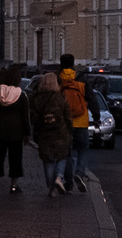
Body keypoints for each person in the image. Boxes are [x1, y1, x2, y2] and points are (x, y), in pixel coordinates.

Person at [0, 67, 30, 194]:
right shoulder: (21, 95)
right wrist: (27, 133)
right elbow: (25, 117)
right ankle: (14, 185)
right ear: (18, 80)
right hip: (16, 133)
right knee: (15, 158)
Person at [28, 69, 73, 196]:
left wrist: (36, 131)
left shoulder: (37, 98)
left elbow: (33, 117)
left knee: (48, 160)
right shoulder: (61, 97)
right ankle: (59, 177)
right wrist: (70, 130)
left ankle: (51, 188)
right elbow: (68, 116)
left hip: (44, 133)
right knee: (62, 156)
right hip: (61, 132)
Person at [58, 55, 92, 192]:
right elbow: (92, 99)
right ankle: (79, 173)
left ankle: (69, 183)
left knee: (68, 153)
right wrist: (95, 116)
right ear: (73, 64)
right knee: (83, 149)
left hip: (64, 122)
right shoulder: (81, 80)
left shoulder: (58, 80)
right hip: (81, 121)